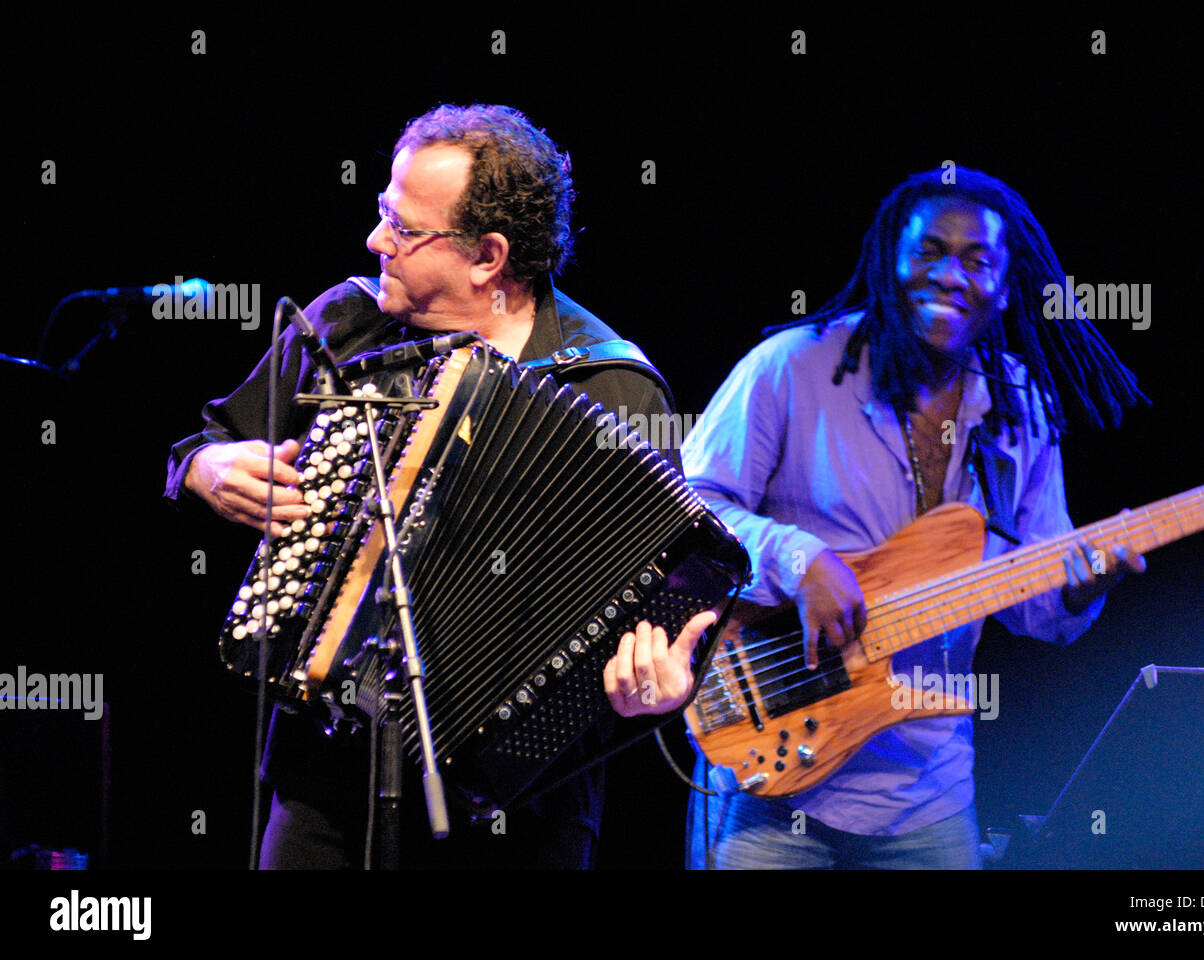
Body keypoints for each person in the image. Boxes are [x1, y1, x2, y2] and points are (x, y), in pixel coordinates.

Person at [165, 103, 712, 868]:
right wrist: (207, 469)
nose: (374, 241)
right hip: (326, 780)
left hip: (522, 810)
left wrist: (649, 691)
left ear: (488, 256)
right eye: (383, 214)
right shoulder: (344, 324)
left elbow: (666, 604)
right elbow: (210, 439)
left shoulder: (612, 389)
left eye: (404, 229)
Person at [682, 166, 1148, 869]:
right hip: (771, 774)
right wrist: (797, 556)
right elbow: (688, 510)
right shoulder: (793, 367)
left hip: (927, 795)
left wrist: (1078, 589)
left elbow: (1032, 608)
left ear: (1005, 283)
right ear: (887, 258)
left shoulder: (1020, 407)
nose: (949, 275)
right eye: (928, 251)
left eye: (976, 259)